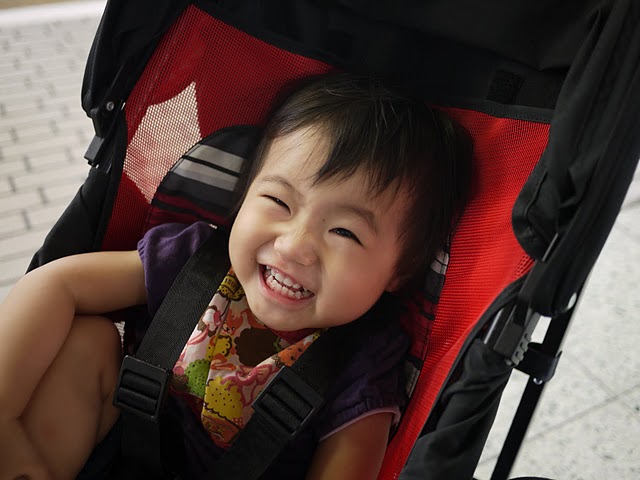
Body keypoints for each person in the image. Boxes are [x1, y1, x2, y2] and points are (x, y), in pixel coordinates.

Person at [0, 72, 472, 480]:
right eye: (278, 202)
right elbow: (57, 283)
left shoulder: (366, 360)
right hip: (124, 444)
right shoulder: (194, 258)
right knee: (88, 340)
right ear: (243, 197)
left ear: (400, 271)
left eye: (345, 232)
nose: (293, 245)